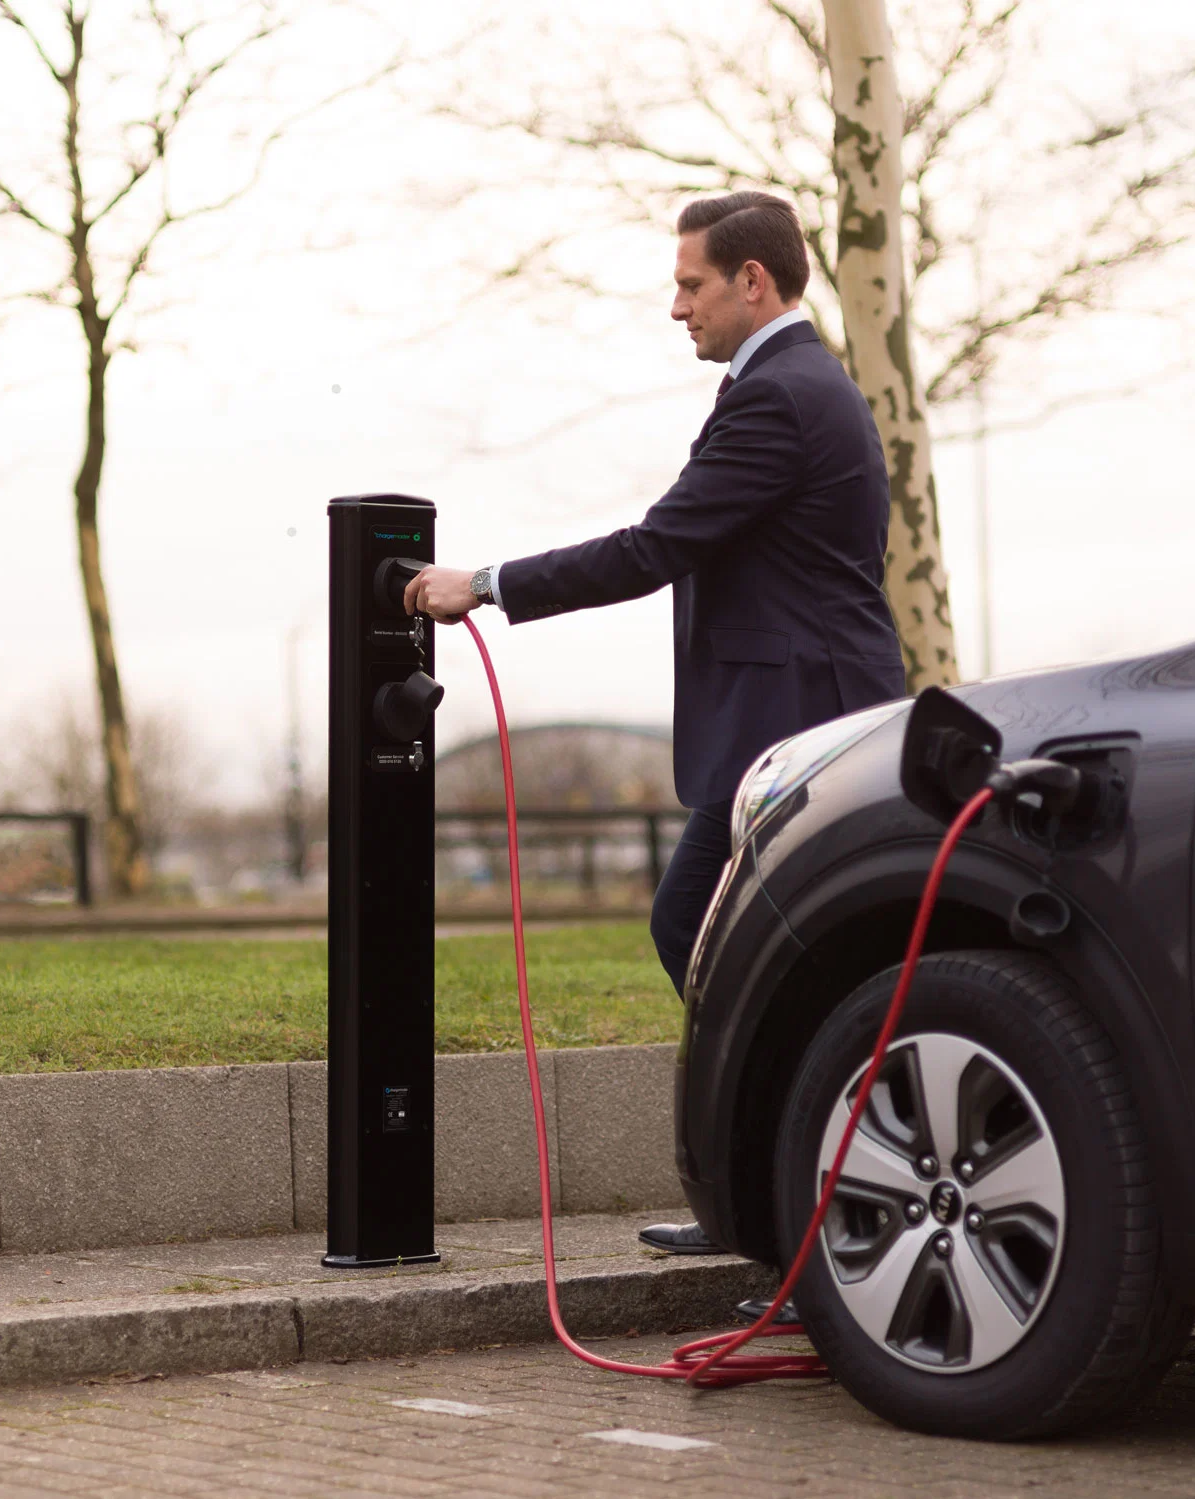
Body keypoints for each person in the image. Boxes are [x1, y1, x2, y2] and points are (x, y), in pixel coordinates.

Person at [402, 191, 905, 1267]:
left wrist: (481, 584)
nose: (675, 305)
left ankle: (810, 1194)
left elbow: (655, 545)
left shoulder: (778, 396)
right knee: (740, 950)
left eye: (689, 283)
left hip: (795, 733)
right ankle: (792, 1195)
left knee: (713, 938)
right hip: (804, 722)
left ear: (751, 281)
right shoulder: (791, 384)